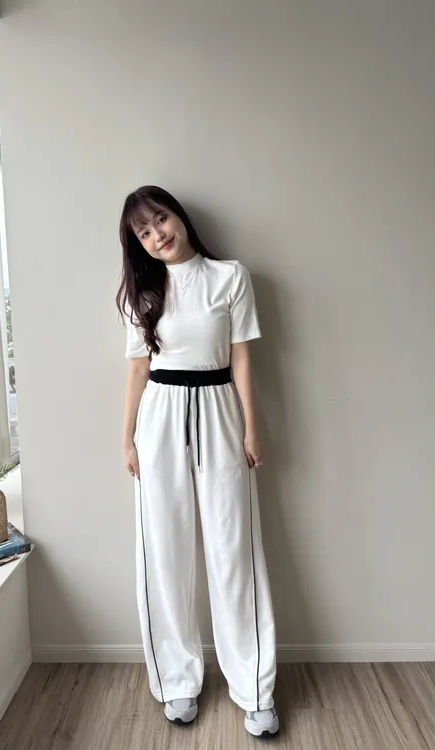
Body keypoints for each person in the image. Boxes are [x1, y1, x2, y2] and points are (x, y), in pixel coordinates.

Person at [118, 186, 278, 738]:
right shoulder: (141, 292)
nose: (156, 235)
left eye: (160, 220)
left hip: (219, 410)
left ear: (179, 217)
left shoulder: (230, 277)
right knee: (165, 548)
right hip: (159, 416)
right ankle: (177, 679)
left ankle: (254, 686)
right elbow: (138, 368)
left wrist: (252, 426)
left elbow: (242, 358)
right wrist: (126, 439)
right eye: (143, 232)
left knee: (234, 548)